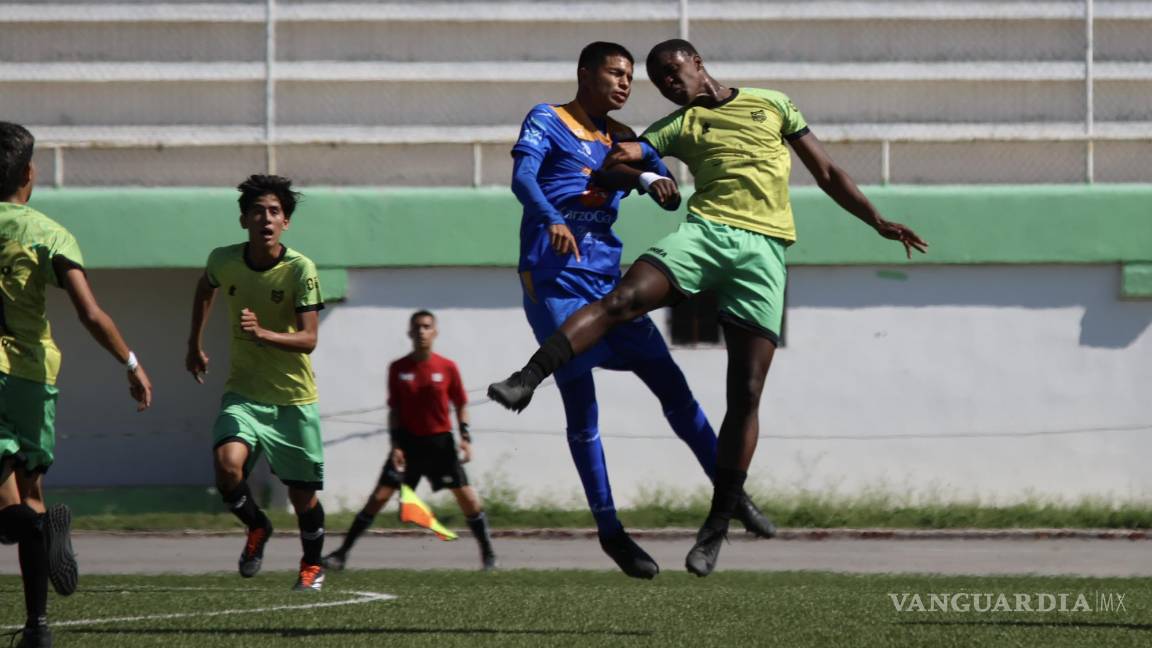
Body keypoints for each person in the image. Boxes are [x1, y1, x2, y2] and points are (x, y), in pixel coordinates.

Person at [489, 39, 929, 577]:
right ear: (585, 73)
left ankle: (727, 505)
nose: (642, 84)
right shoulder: (596, 123)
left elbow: (824, 170)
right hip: (568, 274)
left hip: (707, 256)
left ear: (698, 63)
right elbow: (590, 171)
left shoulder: (759, 107)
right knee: (587, 395)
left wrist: (877, 220)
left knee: (704, 390)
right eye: (626, 74)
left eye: (652, 75)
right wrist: (639, 180)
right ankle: (605, 520)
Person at [505, 41, 776, 579]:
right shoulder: (548, 117)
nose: (625, 84)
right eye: (615, 72)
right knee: (583, 410)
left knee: (674, 389)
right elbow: (522, 179)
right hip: (555, 279)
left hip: (607, 284)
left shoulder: (625, 139)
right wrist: (550, 217)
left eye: (630, 76)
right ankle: (611, 532)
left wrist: (659, 183)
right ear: (585, 73)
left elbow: (667, 192)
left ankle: (731, 495)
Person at [0, 121, 153, 647]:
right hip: (32, 376)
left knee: (9, 516)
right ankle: (38, 629)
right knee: (31, 493)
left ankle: (42, 532)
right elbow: (89, 312)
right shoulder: (50, 233)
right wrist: (130, 363)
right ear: (28, 174)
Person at [186, 174, 328, 592]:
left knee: (304, 500)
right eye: (258, 211)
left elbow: (310, 339)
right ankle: (258, 527)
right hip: (244, 395)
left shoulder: (301, 270)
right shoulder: (223, 260)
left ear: (286, 222)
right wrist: (193, 343)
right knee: (227, 467)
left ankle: (312, 567)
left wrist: (263, 333)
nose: (266, 218)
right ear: (244, 219)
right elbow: (205, 288)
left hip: (293, 400)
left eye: (275, 212)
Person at [323, 310, 496, 571]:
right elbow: (394, 410)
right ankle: (341, 555)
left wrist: (465, 438)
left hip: (440, 444)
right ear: (409, 333)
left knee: (468, 500)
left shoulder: (447, 367)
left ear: (435, 332)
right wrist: (395, 446)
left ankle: (488, 555)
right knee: (378, 497)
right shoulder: (398, 368)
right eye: (417, 327)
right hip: (409, 444)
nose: (422, 331)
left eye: (427, 327)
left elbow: (461, 404)